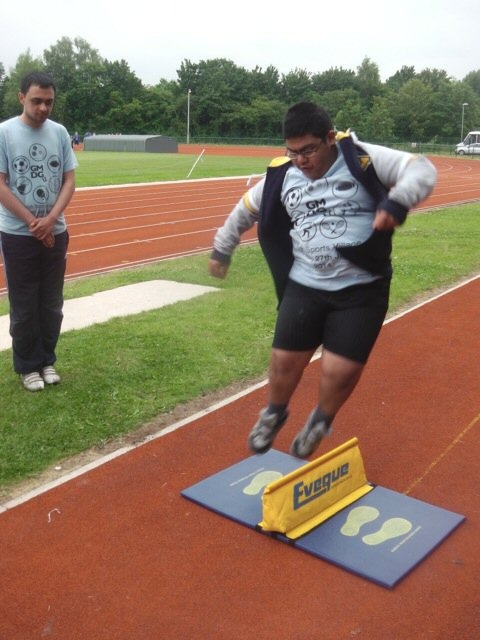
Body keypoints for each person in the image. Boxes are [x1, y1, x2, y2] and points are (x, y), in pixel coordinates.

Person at [209, 101, 436, 458]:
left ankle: (320, 420)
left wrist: (396, 203)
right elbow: (245, 210)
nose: (301, 160)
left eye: (309, 150)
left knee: (338, 370)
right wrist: (222, 248)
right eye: (293, 151)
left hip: (361, 289)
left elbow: (422, 170)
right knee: (284, 362)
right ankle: (274, 413)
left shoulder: (362, 157)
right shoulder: (283, 176)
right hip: (306, 285)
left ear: (330, 138)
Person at [0, 71, 78, 391]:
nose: (44, 108)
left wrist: (51, 220)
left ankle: (46, 360)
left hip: (55, 232)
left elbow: (69, 180)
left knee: (51, 303)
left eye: (49, 102)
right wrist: (34, 222)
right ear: (21, 98)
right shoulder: (4, 132)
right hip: (18, 235)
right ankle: (28, 365)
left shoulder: (59, 133)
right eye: (36, 101)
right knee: (24, 304)